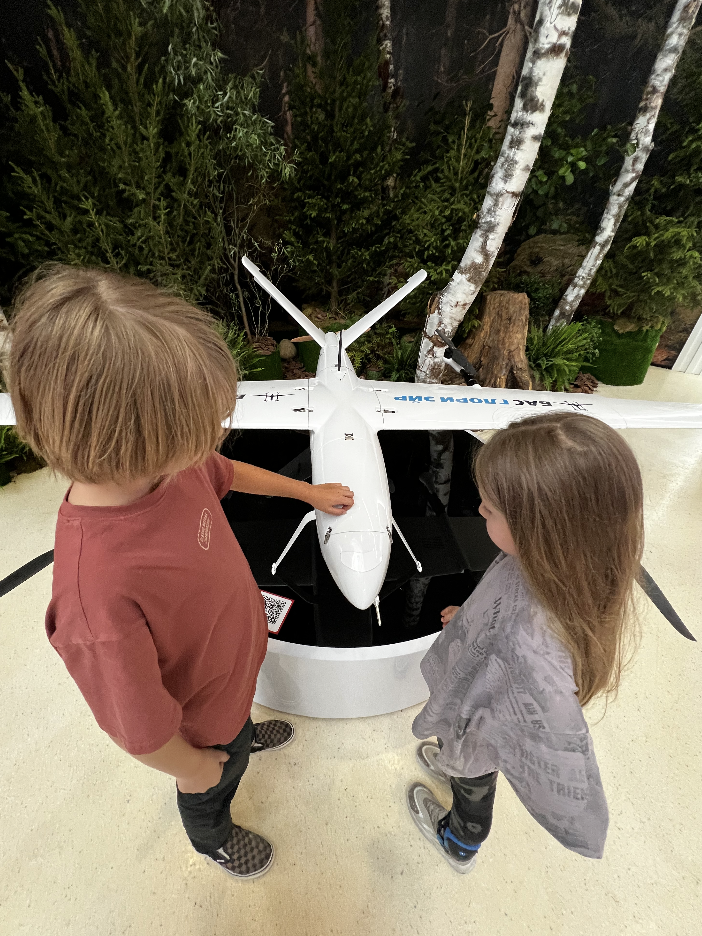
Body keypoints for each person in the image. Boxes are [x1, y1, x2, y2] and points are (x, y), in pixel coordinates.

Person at [5, 265, 354, 880]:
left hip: (228, 681)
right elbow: (138, 728)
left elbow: (227, 472)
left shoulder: (169, 464)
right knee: (218, 776)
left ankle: (240, 730)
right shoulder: (96, 596)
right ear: (130, 440)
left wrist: (307, 492)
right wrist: (194, 768)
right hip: (199, 733)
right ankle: (211, 834)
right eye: (198, 428)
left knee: (235, 730)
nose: (211, 439)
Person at [408, 412, 644, 873]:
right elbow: (502, 598)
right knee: (464, 758)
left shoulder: (538, 646)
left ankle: (461, 840)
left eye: (490, 509)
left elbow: (550, 743)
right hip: (474, 704)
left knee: (474, 779)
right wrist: (474, 618)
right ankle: (456, 765)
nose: (479, 510)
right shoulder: (556, 560)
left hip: (483, 731)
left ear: (542, 528)